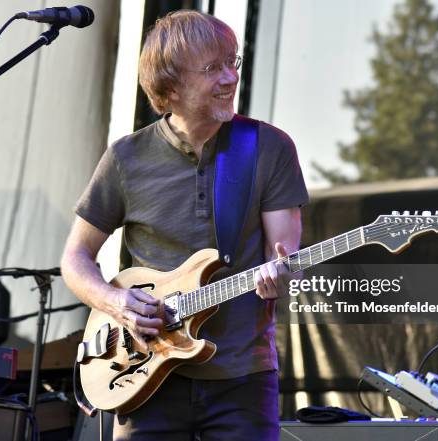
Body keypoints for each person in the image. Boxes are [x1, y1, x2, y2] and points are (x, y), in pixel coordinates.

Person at [61, 9, 308, 441]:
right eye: (213, 68)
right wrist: (114, 303)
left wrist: (281, 274)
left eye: (233, 62)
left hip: (241, 378)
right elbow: (75, 258)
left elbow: (284, 258)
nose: (230, 78)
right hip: (143, 374)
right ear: (169, 86)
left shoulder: (269, 148)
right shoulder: (126, 158)